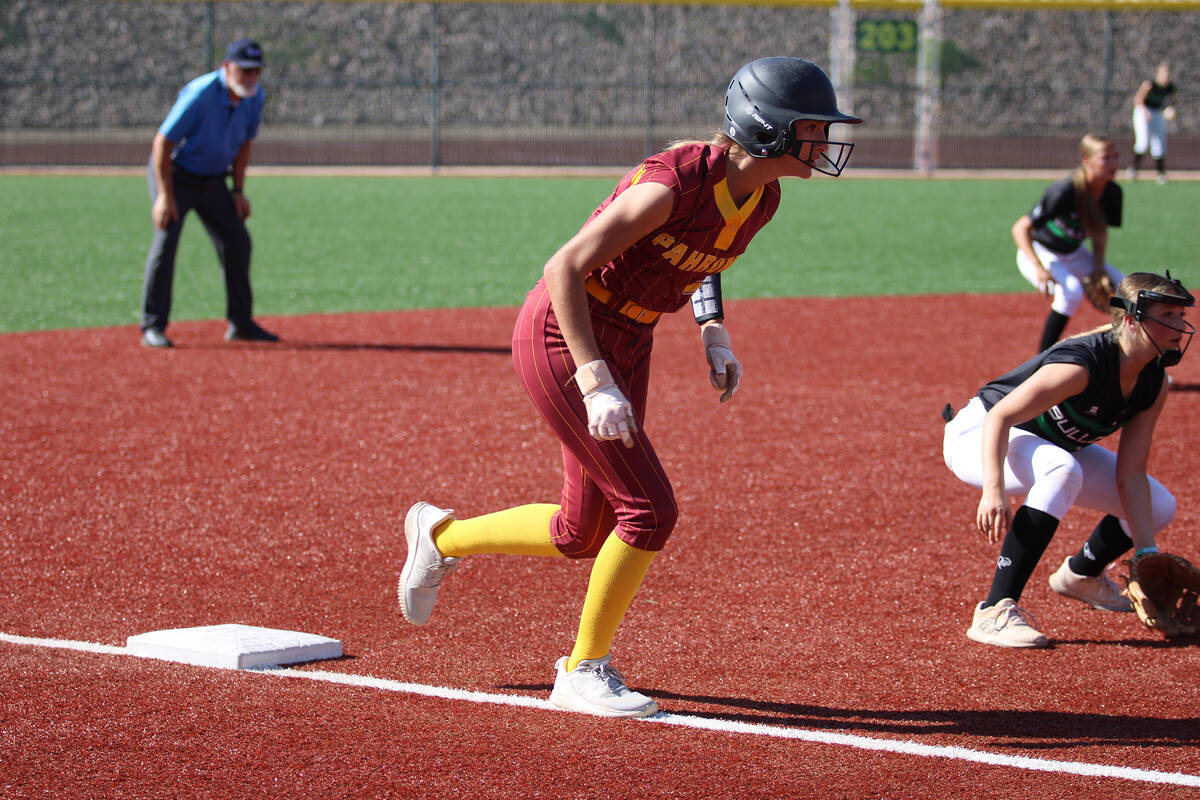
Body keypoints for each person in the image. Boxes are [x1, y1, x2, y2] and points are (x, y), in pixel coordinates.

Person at [397, 57, 861, 718]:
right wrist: (593, 380)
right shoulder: (672, 184)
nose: (826, 142)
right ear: (766, 130)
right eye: (813, 128)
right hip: (566, 333)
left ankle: (440, 540)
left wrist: (713, 330)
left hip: (628, 341)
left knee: (579, 531)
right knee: (650, 511)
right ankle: (583, 669)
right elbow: (566, 266)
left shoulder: (764, 196)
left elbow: (706, 255)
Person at [942, 271, 1194, 648]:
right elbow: (1000, 417)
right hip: (977, 436)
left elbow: (1132, 475)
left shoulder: (1153, 382)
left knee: (1158, 506)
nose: (1180, 326)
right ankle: (993, 610)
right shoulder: (1084, 364)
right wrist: (993, 491)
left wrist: (1146, 553)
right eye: (1167, 315)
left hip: (1049, 446)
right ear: (1130, 318)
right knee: (1061, 469)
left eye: (1180, 316)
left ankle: (1081, 575)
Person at [139, 38, 278, 348]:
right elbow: (162, 143)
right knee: (166, 242)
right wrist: (165, 195)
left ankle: (240, 322)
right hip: (176, 176)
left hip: (214, 180)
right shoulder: (200, 94)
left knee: (237, 241)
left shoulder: (254, 97)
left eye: (256, 71)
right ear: (227, 67)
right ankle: (152, 326)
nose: (251, 77)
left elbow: (244, 143)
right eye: (244, 70)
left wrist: (238, 190)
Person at [1012, 133, 1123, 353]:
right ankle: (1042, 360)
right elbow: (1020, 228)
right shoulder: (1064, 191)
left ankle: (1139, 362)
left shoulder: (1112, 192)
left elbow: (1100, 233)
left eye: (1115, 156)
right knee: (1071, 291)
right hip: (1039, 251)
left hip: (1074, 252)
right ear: (1086, 161)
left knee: (1127, 288)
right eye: (1105, 157)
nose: (1113, 163)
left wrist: (1099, 268)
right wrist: (1038, 267)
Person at [1129, 62, 1177, 184]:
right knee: (1143, 142)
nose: (1166, 76)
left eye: (1168, 74)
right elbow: (1138, 99)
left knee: (1160, 143)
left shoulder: (1170, 87)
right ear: (1158, 74)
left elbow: (1172, 101)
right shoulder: (1149, 85)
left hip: (1157, 112)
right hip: (1143, 111)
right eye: (1164, 73)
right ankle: (1133, 169)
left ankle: (1161, 173)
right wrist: (1145, 111)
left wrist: (1171, 109)